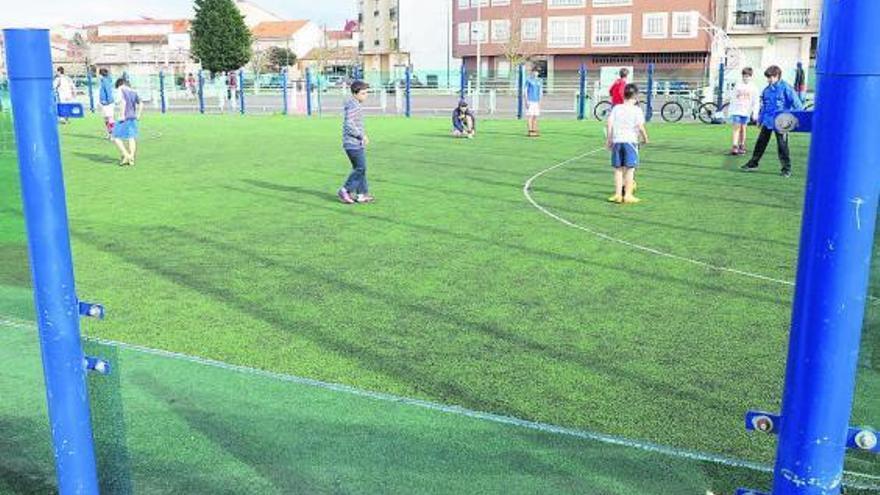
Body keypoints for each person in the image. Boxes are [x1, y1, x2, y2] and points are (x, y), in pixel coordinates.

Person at [741, 65, 804, 178]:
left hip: (782, 122)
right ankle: (753, 163)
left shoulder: (786, 88)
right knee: (760, 143)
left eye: (770, 77)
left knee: (782, 145)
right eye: (768, 78)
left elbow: (798, 104)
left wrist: (792, 119)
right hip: (768, 121)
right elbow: (764, 107)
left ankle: (786, 169)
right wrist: (760, 120)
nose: (768, 80)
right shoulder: (766, 90)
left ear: (777, 76)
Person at [606, 83, 649, 204]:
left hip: (617, 141)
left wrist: (609, 140)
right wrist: (645, 138)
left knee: (618, 169)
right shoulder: (637, 110)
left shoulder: (616, 108)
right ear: (635, 97)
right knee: (630, 169)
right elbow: (640, 126)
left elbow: (609, 124)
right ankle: (628, 195)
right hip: (630, 141)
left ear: (623, 95)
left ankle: (618, 194)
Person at [337, 80, 373, 204]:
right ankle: (345, 190)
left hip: (355, 143)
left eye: (366, 93)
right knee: (360, 168)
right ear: (355, 93)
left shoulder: (355, 103)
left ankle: (361, 194)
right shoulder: (354, 105)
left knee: (360, 168)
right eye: (363, 93)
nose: (366, 95)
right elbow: (348, 124)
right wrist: (361, 135)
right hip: (352, 143)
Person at [727, 67, 760, 155]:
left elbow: (756, 101)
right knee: (736, 128)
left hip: (746, 111)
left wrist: (755, 113)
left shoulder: (753, 87)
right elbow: (733, 98)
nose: (746, 78)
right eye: (744, 76)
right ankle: (734, 146)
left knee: (743, 128)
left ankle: (742, 145)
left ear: (751, 76)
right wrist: (730, 111)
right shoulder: (738, 85)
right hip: (737, 111)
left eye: (748, 76)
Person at [111, 77, 142, 166]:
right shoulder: (133, 91)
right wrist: (138, 114)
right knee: (131, 137)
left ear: (119, 84)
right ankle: (131, 157)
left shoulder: (120, 90)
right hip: (132, 116)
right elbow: (141, 103)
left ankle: (126, 155)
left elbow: (122, 102)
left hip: (124, 117)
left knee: (115, 137)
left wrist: (121, 115)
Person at [524, 68, 543, 137]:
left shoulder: (540, 80)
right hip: (530, 100)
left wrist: (540, 101)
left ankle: (535, 130)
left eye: (537, 72)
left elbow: (540, 91)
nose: (535, 73)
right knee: (530, 116)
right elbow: (525, 91)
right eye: (534, 72)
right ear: (532, 72)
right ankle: (530, 130)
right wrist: (526, 101)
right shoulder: (528, 80)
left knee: (535, 116)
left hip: (536, 101)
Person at [98, 68, 116, 138]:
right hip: (104, 103)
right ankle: (109, 133)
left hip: (108, 103)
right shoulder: (103, 81)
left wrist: (108, 101)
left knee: (110, 118)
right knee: (106, 119)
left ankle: (113, 134)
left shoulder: (105, 81)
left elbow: (108, 92)